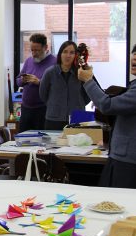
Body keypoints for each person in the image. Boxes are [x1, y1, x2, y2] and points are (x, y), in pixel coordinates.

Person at [78, 45, 136, 188]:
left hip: (128, 160)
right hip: (122, 155)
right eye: (134, 53)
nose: (134, 57)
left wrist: (88, 81)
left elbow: (107, 105)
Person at [39, 41, 90, 130]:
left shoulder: (81, 72)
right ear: (60, 54)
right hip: (54, 118)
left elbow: (88, 95)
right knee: (54, 143)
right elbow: (43, 94)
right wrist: (55, 104)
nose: (68, 55)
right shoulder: (50, 72)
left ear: (76, 55)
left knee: (79, 143)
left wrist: (78, 104)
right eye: (65, 52)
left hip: (78, 117)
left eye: (72, 52)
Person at [16, 33, 57, 132]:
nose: (34, 53)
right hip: (26, 108)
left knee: (40, 142)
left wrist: (39, 82)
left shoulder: (54, 62)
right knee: (22, 141)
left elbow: (56, 88)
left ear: (46, 47)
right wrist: (23, 80)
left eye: (37, 50)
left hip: (42, 109)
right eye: (32, 50)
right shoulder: (29, 61)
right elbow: (17, 81)